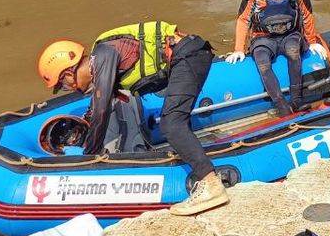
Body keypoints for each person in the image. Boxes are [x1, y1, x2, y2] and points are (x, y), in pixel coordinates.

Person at [37, 22, 228, 216]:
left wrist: (89, 159)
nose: (69, 89)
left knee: (171, 123)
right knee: (174, 119)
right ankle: (196, 161)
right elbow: (96, 109)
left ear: (68, 74)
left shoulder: (102, 54)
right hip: (186, 56)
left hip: (188, 55)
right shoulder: (103, 66)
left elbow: (101, 111)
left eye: (64, 86)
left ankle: (211, 184)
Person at [228, 0, 330, 117]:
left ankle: (297, 101)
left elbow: (306, 14)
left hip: (290, 35)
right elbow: (244, 19)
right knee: (262, 61)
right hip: (263, 37)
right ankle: (282, 106)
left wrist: (312, 41)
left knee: (293, 51)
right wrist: (238, 49)